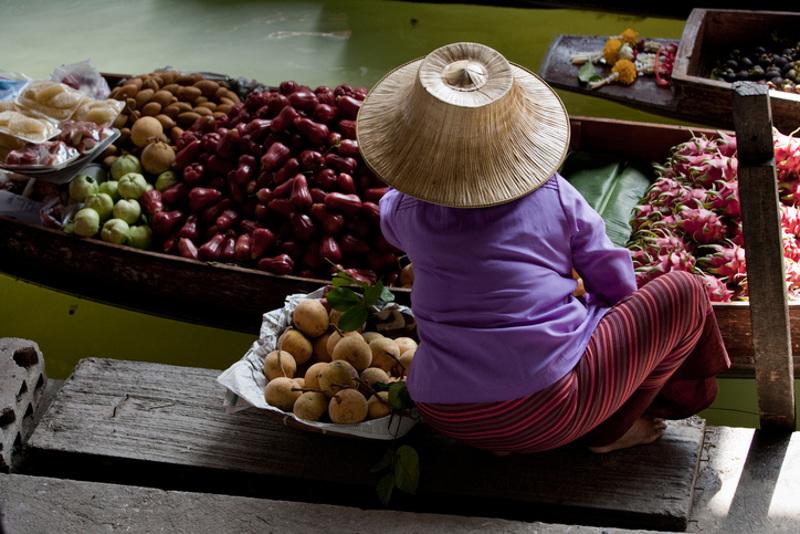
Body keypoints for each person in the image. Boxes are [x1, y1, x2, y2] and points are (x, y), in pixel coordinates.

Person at [356, 42, 730, 454]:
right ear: (518, 135)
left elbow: (390, 218)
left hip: (444, 410)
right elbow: (614, 283)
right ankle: (609, 430)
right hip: (547, 407)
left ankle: (569, 421)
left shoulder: (406, 209)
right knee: (684, 291)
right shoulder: (553, 193)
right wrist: (605, 317)